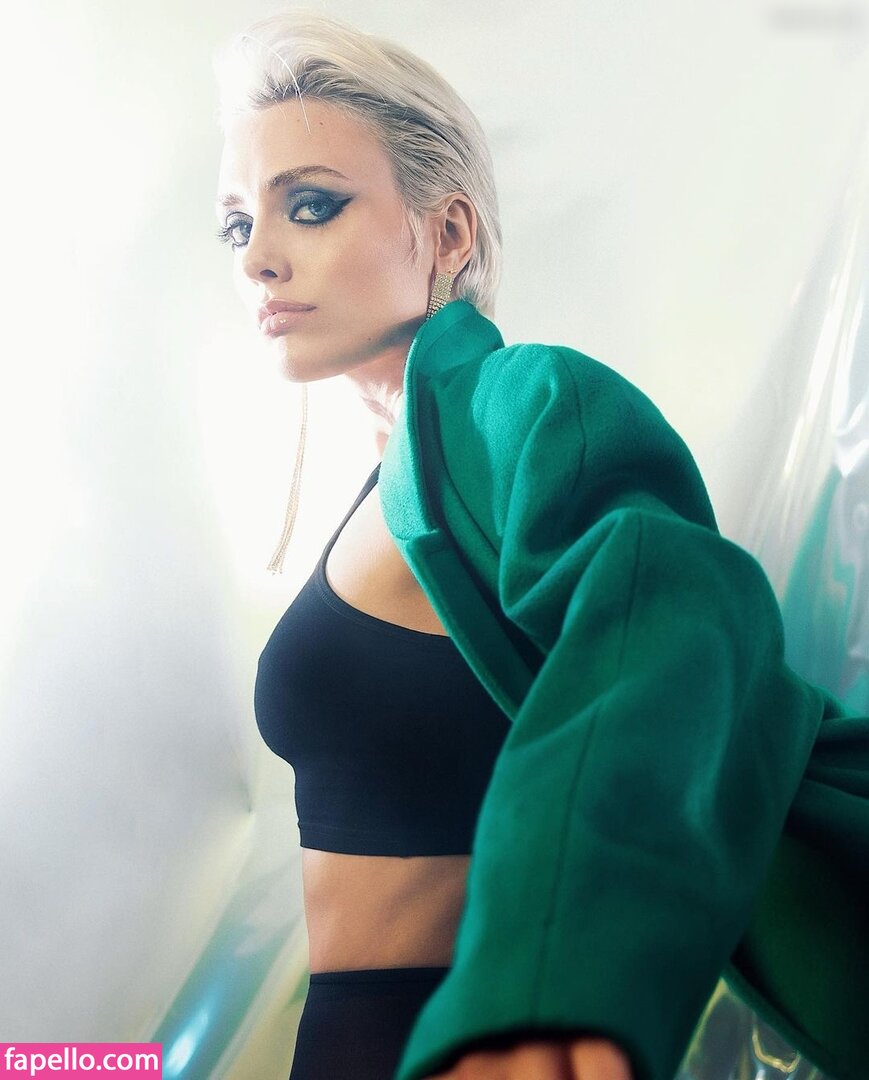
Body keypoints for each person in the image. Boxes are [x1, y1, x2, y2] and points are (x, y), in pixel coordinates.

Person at [212, 11, 869, 1080]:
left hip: (489, 1036)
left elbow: (675, 622)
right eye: (236, 225)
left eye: (311, 205)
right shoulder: (398, 483)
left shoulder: (521, 402)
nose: (258, 258)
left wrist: (545, 1002)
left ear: (448, 234)